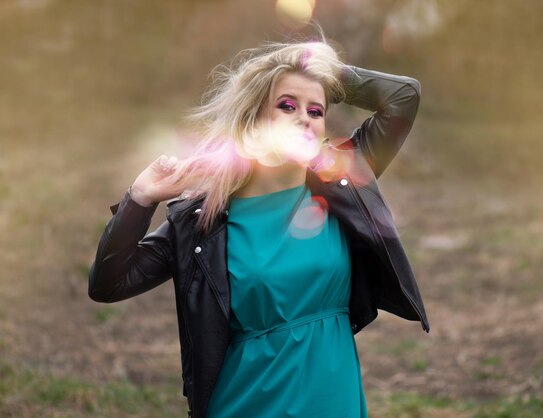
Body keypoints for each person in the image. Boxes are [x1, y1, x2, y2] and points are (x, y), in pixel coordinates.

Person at [88, 38, 429, 418]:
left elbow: (403, 96)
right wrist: (140, 198)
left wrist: (318, 69)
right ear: (252, 120)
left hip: (332, 401)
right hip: (244, 403)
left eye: (316, 111)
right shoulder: (203, 221)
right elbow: (108, 283)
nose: (304, 118)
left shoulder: (342, 181)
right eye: (286, 106)